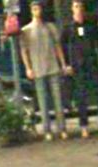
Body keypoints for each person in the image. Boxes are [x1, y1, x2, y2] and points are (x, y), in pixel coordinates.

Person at [61, 0, 98, 138]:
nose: (79, 9)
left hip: (92, 63)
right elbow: (63, 47)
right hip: (77, 66)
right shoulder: (68, 28)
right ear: (72, 9)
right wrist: (66, 64)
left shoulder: (92, 26)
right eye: (76, 7)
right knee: (81, 96)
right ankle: (84, 125)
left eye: (81, 7)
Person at [20, 0, 69, 141]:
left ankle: (62, 128)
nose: (37, 11)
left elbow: (58, 47)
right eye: (34, 9)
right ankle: (47, 130)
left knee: (58, 99)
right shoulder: (26, 31)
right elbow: (24, 51)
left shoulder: (50, 27)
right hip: (38, 68)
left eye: (39, 8)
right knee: (43, 102)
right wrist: (28, 68)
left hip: (53, 66)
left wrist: (63, 63)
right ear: (31, 11)